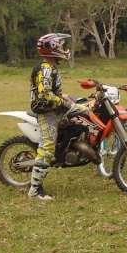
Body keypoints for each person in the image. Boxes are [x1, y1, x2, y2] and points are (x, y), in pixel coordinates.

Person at [28, 33, 88, 200]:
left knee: (82, 114)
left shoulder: (50, 68)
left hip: (56, 110)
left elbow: (53, 93)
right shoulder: (45, 69)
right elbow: (45, 95)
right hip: (48, 114)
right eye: (60, 46)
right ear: (52, 48)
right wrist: (66, 103)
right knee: (47, 148)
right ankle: (35, 190)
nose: (62, 49)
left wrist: (68, 99)